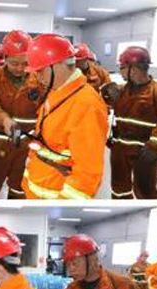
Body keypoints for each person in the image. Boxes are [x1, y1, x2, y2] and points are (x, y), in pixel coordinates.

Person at [22, 34, 108, 199]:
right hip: (38, 188)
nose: (38, 77)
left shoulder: (86, 104)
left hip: (54, 198)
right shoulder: (56, 92)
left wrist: (62, 207)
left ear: (58, 65)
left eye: (40, 71)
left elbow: (87, 174)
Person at [0, 30, 44, 199]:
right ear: (5, 58)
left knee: (21, 190)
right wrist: (4, 120)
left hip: (26, 146)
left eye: (25, 63)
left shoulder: (40, 79)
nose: (20, 68)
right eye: (14, 63)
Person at [105, 46, 157, 199]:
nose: (120, 71)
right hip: (120, 148)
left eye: (122, 67)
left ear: (134, 68)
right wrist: (104, 95)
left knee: (146, 191)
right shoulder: (120, 91)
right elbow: (101, 108)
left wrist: (154, 148)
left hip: (145, 151)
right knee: (119, 189)